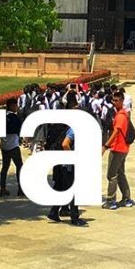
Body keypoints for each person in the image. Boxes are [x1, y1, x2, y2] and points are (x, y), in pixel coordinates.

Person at [47, 94, 84, 226]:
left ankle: (53, 212)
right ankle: (75, 217)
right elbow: (65, 144)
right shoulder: (73, 129)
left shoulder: (62, 124)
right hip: (68, 163)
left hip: (60, 162)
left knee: (61, 186)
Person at [102, 91, 134, 210]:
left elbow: (115, 132)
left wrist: (105, 146)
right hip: (123, 148)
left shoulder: (120, 116)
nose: (114, 102)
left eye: (116, 100)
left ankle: (111, 200)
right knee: (120, 173)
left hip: (118, 148)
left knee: (111, 175)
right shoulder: (123, 114)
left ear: (121, 101)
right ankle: (126, 198)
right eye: (113, 100)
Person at [0, 97, 23, 197]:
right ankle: (21, 189)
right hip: (13, 144)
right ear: (12, 106)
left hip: (4, 144)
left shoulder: (3, 116)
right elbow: (17, 129)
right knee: (19, 166)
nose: (16, 107)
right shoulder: (14, 117)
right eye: (15, 105)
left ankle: (2, 188)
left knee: (5, 167)